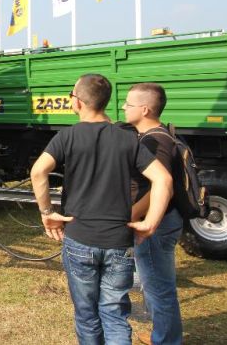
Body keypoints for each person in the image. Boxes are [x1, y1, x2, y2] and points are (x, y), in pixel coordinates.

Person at [30, 74, 173, 345]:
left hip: (79, 238)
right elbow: (163, 179)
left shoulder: (67, 136)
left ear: (79, 102)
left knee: (86, 313)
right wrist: (150, 222)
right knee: (115, 314)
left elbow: (39, 171)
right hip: (118, 241)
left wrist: (47, 213)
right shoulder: (128, 139)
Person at [124, 83, 184, 345]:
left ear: (145, 109)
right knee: (156, 285)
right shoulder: (160, 134)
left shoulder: (153, 140)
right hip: (165, 221)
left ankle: (166, 340)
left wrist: (132, 217)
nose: (124, 108)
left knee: (159, 288)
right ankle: (162, 334)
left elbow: (162, 185)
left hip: (155, 225)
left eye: (128, 104)